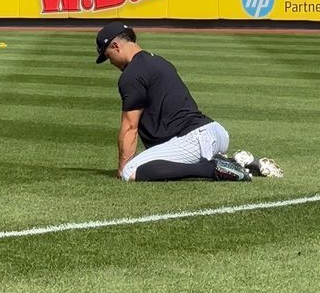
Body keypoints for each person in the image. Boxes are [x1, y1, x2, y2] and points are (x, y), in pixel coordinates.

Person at [95, 21, 283, 182]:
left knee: (130, 171)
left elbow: (130, 127)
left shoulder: (131, 74)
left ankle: (213, 168)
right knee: (156, 160)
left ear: (116, 47)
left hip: (193, 139)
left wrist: (122, 170)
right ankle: (238, 162)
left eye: (107, 56)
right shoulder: (159, 61)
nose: (110, 62)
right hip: (216, 133)